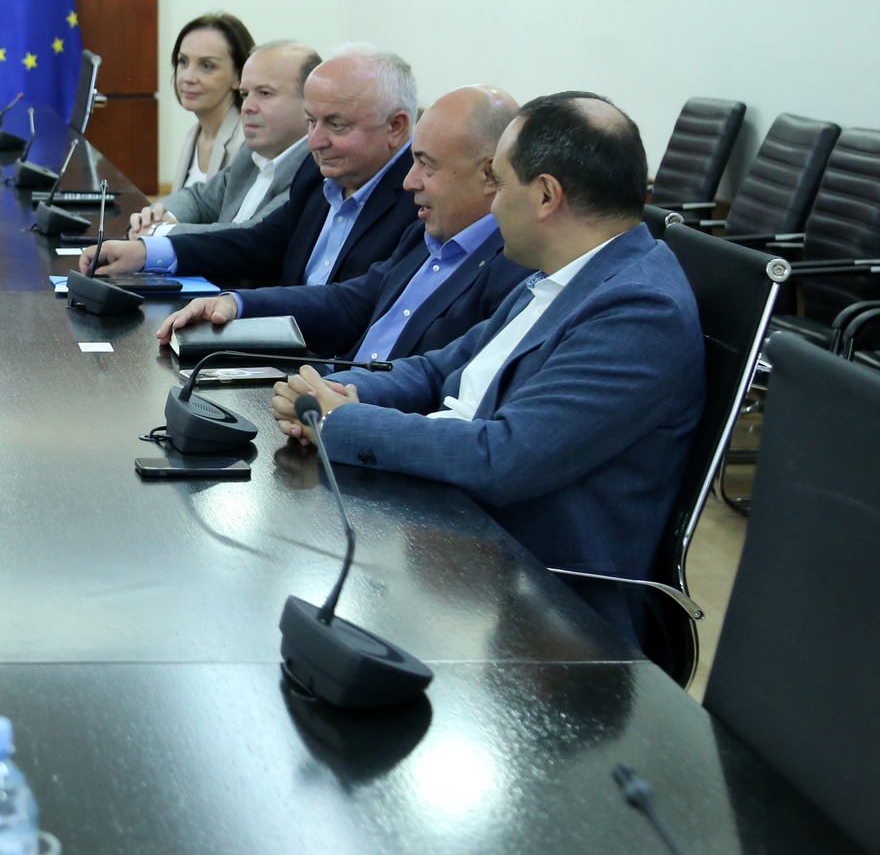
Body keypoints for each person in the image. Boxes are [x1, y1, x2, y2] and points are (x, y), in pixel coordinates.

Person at [273, 92, 704, 644]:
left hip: (537, 602)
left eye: (499, 184)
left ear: (546, 195)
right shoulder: (563, 272)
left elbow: (504, 456)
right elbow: (438, 370)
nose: (492, 204)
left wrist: (338, 421)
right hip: (451, 532)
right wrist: (334, 389)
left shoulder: (639, 309)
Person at [160, 85, 528, 359]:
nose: (409, 181)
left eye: (426, 165)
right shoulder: (425, 234)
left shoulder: (516, 268)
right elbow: (351, 301)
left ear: (489, 174)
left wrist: (344, 401)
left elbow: (441, 382)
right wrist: (236, 304)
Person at [85, 45, 418, 289]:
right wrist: (146, 253)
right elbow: (259, 242)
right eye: (311, 121)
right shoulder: (318, 173)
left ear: (395, 127)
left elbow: (351, 304)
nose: (315, 140)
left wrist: (238, 305)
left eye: (336, 125)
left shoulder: (417, 203)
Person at [132, 40, 317, 236]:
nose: (246, 107)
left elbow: (250, 237)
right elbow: (199, 199)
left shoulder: (313, 169)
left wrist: (158, 232)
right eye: (245, 94)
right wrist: (157, 216)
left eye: (264, 93)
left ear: (311, 102)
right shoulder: (251, 154)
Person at [146, 13, 254, 215]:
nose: (188, 77)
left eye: (207, 66)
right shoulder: (195, 134)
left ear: (238, 77)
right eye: (183, 62)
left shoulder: (247, 143)